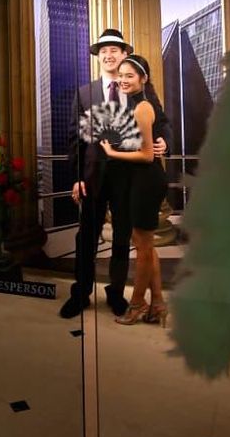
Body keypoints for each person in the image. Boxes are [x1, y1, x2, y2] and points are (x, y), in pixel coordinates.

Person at [60, 29, 171, 319]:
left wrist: (164, 141)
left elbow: (163, 123)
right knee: (87, 238)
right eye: (103, 51)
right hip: (93, 178)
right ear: (99, 57)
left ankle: (116, 293)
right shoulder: (85, 93)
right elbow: (75, 139)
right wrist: (77, 176)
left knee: (123, 239)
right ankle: (81, 293)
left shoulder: (141, 89)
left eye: (115, 50)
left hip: (130, 178)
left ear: (125, 56)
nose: (108, 55)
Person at [98, 55, 169, 326]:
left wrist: (112, 153)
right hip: (141, 180)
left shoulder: (142, 108)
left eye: (130, 76)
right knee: (147, 246)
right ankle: (159, 303)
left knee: (141, 247)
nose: (123, 80)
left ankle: (138, 304)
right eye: (121, 75)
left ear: (143, 79)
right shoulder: (138, 105)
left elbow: (148, 155)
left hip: (146, 180)